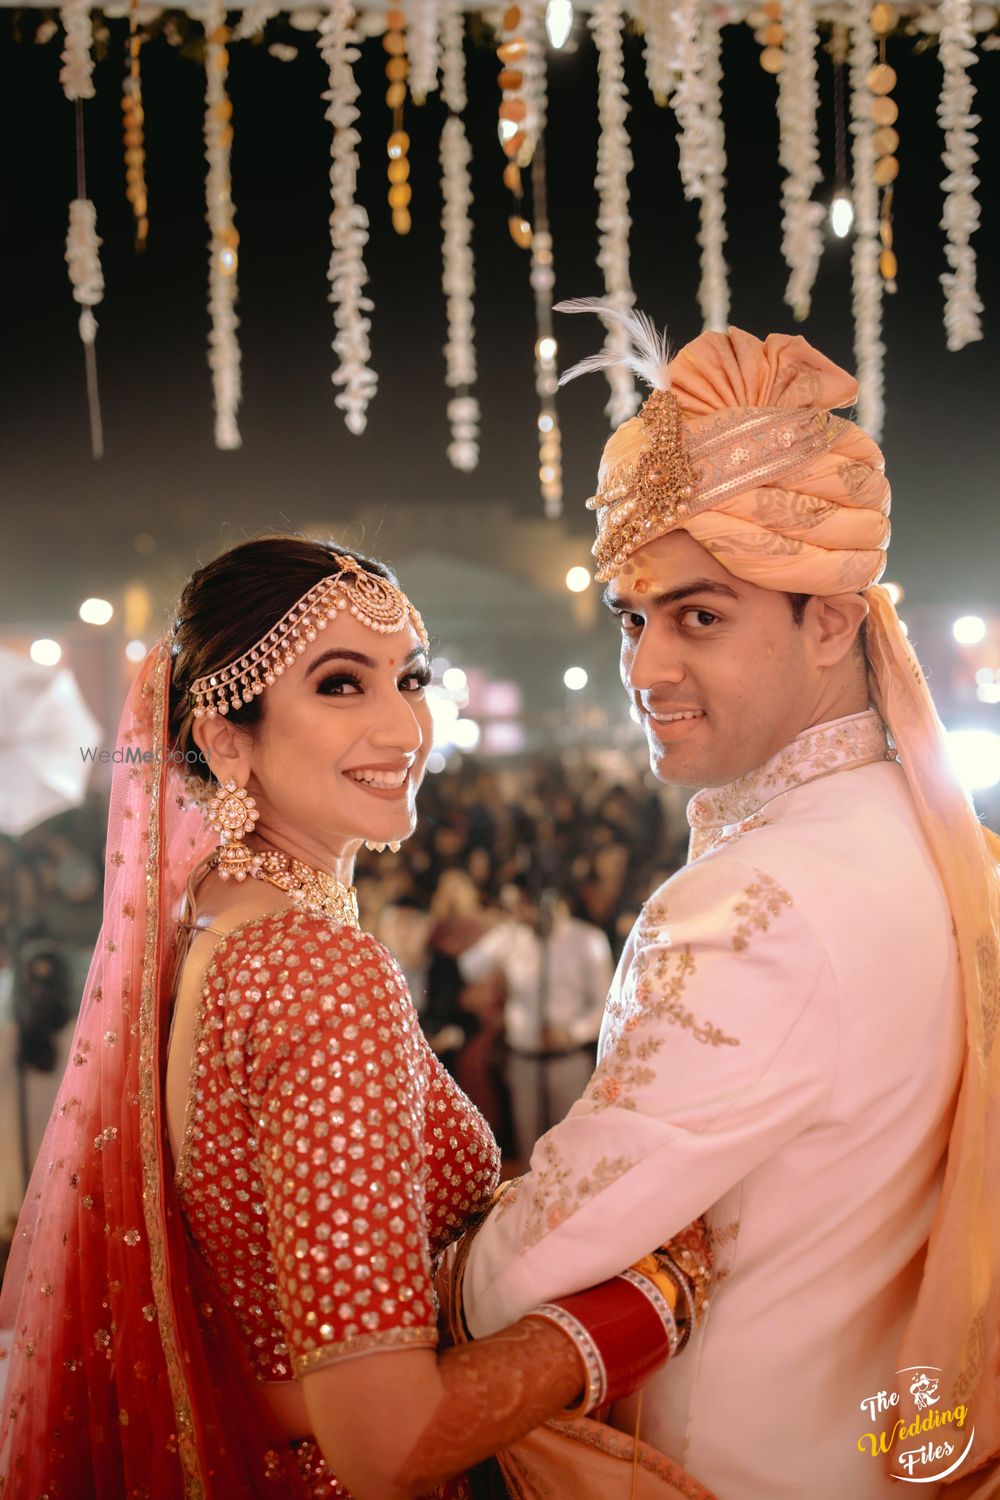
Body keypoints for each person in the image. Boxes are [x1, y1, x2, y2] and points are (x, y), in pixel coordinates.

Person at [0, 535, 710, 1500]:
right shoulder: (314, 971)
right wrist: (651, 1302)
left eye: (409, 677)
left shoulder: (205, 922)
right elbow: (388, 1441)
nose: (404, 725)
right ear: (225, 741)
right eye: (340, 685)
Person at [456, 312, 1000, 1499]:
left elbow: (532, 1268)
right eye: (632, 619)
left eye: (700, 616)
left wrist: (429, 1274)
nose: (646, 669)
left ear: (831, 619)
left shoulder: (756, 898)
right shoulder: (940, 849)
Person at [458, 880, 613, 1163]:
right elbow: (469, 967)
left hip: (568, 1059)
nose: (516, 913)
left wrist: (571, 1032)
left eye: (520, 906)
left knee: (570, 1150)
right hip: (523, 1060)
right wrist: (503, 934)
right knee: (530, 1150)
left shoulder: (587, 940)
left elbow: (607, 1003)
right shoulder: (512, 936)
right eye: (511, 907)